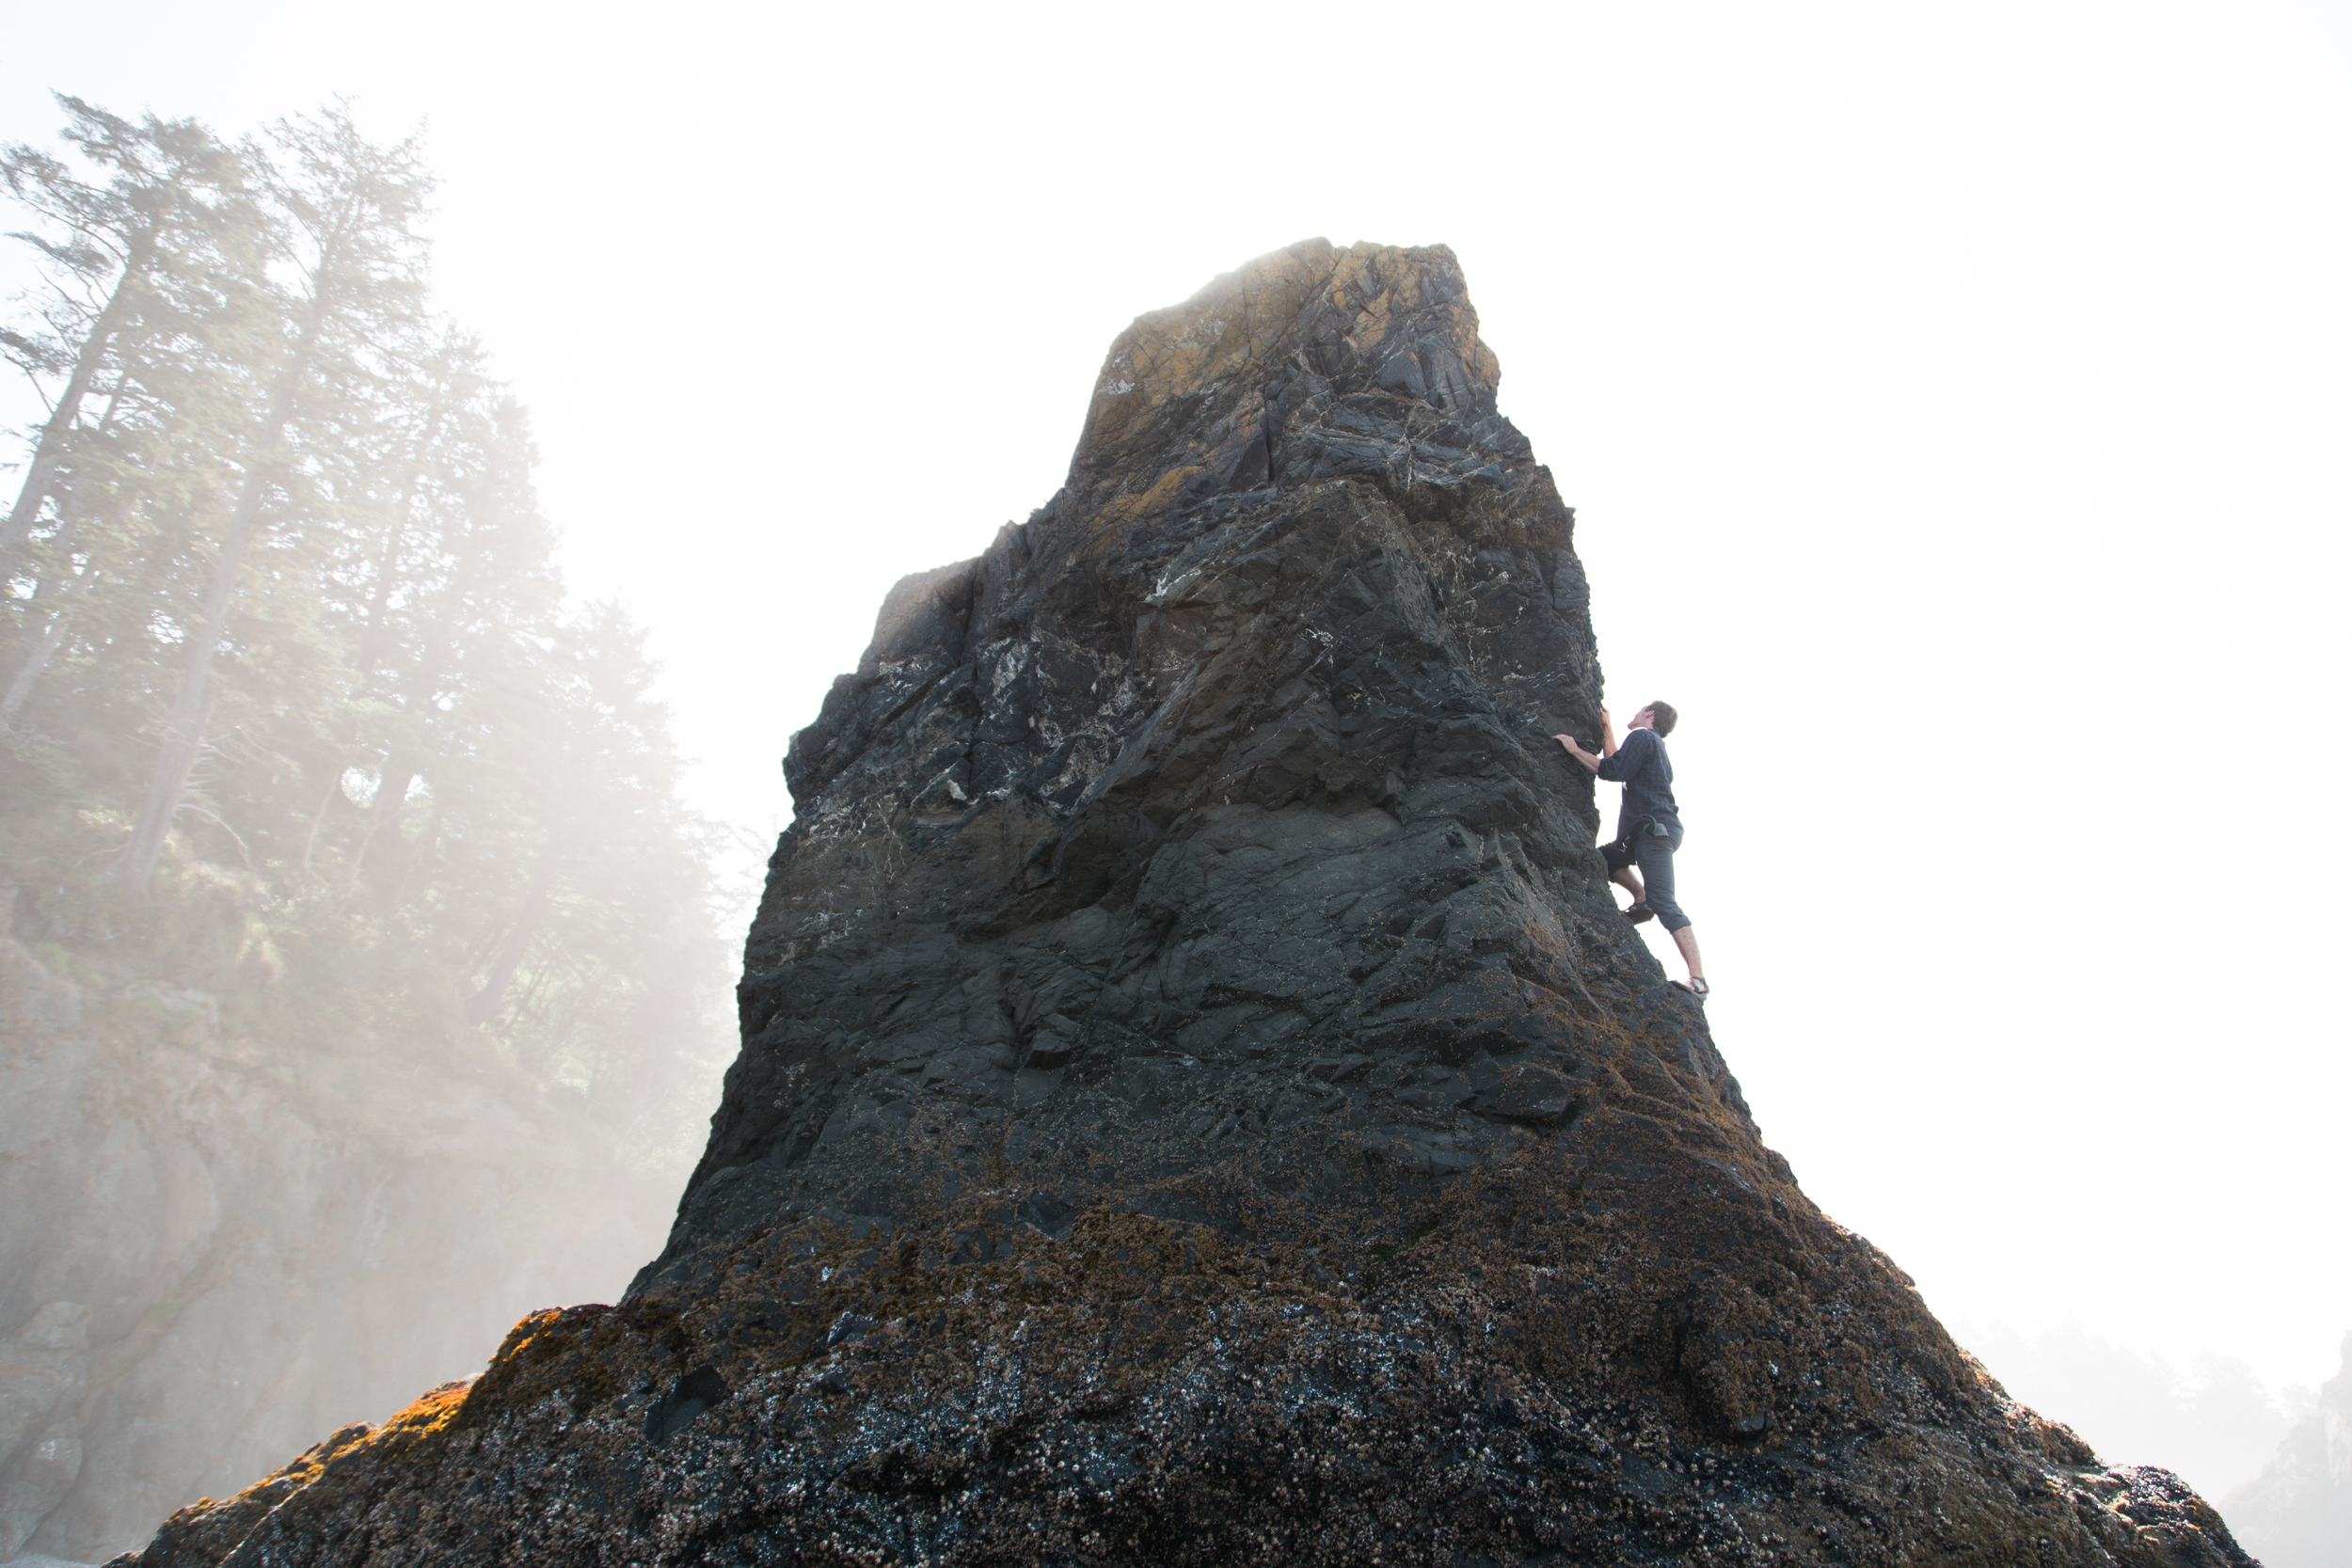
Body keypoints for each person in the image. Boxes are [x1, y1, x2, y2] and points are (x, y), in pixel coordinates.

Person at [1553, 702, 1708, 999]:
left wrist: (1573, 750)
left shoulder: (1644, 737)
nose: (1635, 714)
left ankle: (1698, 980)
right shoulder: (1653, 745)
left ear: (1650, 714)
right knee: (1603, 860)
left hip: (1653, 832)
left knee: (1665, 902)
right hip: (1644, 833)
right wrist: (1607, 726)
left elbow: (1612, 770)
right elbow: (1617, 761)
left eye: (1640, 710)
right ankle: (1642, 898)